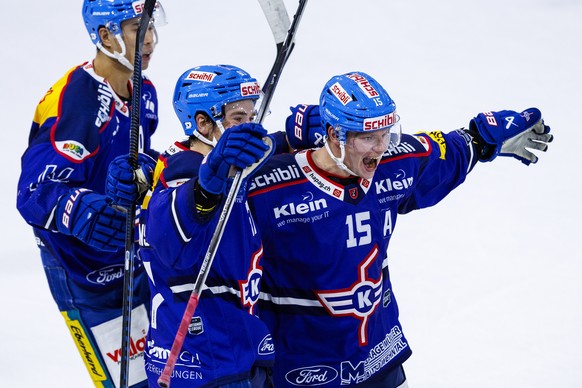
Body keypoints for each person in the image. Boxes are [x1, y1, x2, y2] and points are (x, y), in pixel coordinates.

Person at [246, 71, 553, 387]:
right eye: (368, 137)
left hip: (378, 360)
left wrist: (481, 139)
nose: (380, 148)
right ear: (334, 135)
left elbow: (442, 154)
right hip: (301, 371)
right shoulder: (269, 186)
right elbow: (203, 220)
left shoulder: (392, 164)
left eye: (386, 134)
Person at [16, 1, 166, 386]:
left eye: (150, 26)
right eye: (137, 29)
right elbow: (34, 191)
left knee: (168, 373)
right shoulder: (78, 106)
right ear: (105, 35)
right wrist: (81, 210)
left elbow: (139, 164)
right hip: (83, 272)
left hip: (133, 256)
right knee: (131, 383)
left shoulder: (142, 91)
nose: (149, 39)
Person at [124, 64, 290, 387]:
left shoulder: (215, 161)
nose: (250, 128)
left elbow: (258, 148)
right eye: (239, 120)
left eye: (253, 116)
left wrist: (291, 137)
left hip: (227, 353)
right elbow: (171, 238)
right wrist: (205, 189)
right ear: (202, 122)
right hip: (207, 364)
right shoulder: (184, 172)